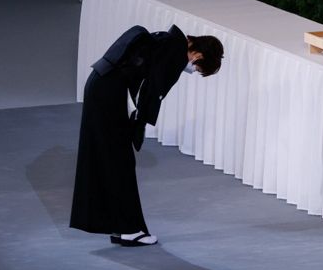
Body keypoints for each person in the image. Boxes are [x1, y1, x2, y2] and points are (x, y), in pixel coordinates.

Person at [69, 24, 223, 247]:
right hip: (108, 95)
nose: (192, 71)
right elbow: (153, 92)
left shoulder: (168, 39)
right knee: (119, 163)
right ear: (198, 55)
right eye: (198, 69)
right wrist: (138, 127)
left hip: (100, 86)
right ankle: (130, 229)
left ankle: (122, 227)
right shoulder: (175, 51)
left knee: (111, 161)